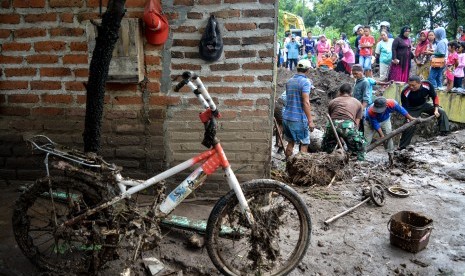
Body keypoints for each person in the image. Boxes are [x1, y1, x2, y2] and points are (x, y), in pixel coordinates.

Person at [399, 75, 450, 149]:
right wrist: (408, 118)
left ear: (420, 83)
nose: (411, 87)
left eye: (413, 85)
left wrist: (436, 109)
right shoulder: (405, 91)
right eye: (409, 85)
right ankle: (402, 146)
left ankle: (444, 132)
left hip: (424, 105)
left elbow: (435, 97)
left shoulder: (427, 85)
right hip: (412, 109)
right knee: (409, 125)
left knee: (441, 111)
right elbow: (405, 108)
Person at [322, 83, 366, 161]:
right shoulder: (357, 103)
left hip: (332, 126)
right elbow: (356, 123)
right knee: (360, 147)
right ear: (351, 92)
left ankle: (325, 161)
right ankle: (360, 163)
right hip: (348, 126)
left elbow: (331, 118)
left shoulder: (332, 101)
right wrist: (349, 138)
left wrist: (340, 135)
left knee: (327, 149)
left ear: (339, 92)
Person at [364, 97, 415, 162]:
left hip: (385, 120)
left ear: (386, 106)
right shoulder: (371, 111)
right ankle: (362, 155)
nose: (378, 112)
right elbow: (375, 124)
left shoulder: (392, 103)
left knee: (388, 136)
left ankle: (391, 155)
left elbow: (401, 110)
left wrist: (410, 118)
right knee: (367, 140)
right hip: (369, 122)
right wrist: (382, 135)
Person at [282, 59, 315, 158]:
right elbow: (306, 102)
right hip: (298, 119)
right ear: (308, 70)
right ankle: (301, 169)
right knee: (304, 143)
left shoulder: (290, 81)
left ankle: (287, 166)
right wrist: (310, 121)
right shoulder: (305, 82)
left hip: (287, 117)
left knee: (290, 142)